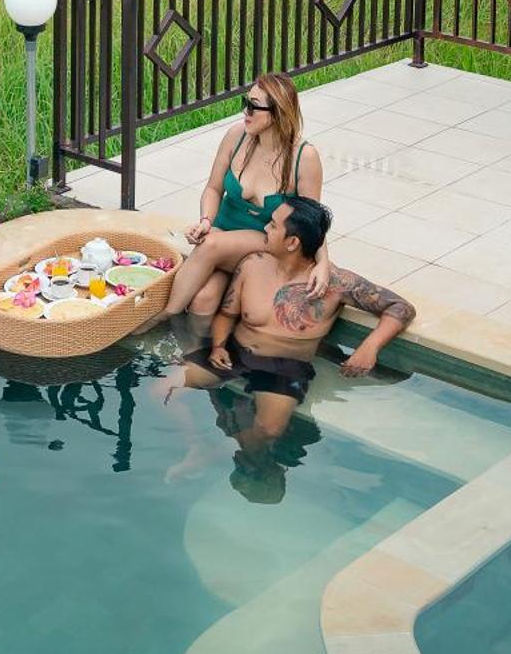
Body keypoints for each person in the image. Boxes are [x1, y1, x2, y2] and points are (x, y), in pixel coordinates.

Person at [172, 194, 416, 458]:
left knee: (268, 429)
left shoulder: (335, 283)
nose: (265, 228)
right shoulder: (252, 264)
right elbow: (227, 315)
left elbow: (400, 308)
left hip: (284, 367)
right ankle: (195, 446)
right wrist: (218, 346)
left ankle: (220, 453)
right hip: (234, 353)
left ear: (292, 242)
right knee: (164, 390)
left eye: (273, 225)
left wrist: (369, 347)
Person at [167, 72, 328, 317]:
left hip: (265, 242)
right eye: (245, 103)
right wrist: (206, 221)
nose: (245, 112)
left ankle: (162, 317)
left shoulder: (304, 158)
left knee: (210, 244)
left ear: (277, 112)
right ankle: (187, 343)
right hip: (223, 235)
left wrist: (323, 263)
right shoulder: (237, 136)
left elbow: (312, 222)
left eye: (253, 106)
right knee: (203, 300)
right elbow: (213, 188)